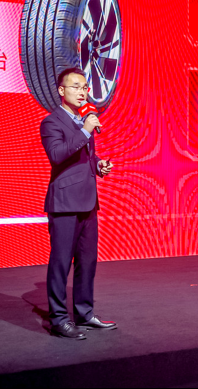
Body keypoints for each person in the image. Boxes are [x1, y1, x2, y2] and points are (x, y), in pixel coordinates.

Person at [39, 67, 116, 339]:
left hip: (88, 202)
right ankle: (59, 320)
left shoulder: (84, 121)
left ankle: (84, 314)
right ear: (62, 90)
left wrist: (99, 165)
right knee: (61, 262)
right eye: (76, 87)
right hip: (64, 204)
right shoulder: (52, 122)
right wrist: (85, 130)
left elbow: (86, 158)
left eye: (84, 87)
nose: (82, 92)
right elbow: (57, 155)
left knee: (87, 261)